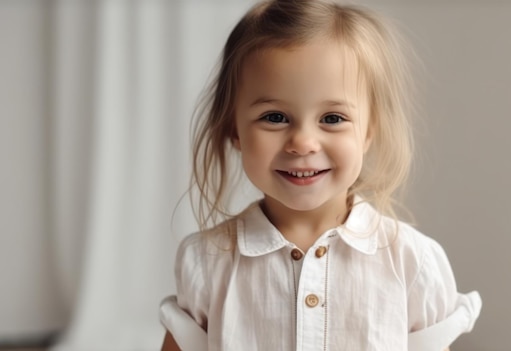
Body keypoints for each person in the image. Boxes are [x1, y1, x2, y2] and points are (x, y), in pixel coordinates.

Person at [160, 0, 481, 350]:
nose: (303, 143)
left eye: (332, 119)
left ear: (369, 131)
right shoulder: (207, 262)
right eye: (275, 117)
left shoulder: (411, 262)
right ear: (233, 129)